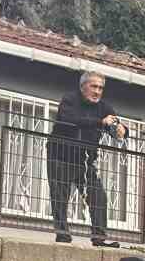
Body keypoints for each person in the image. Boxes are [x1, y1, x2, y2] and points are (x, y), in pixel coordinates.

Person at [49, 71, 125, 247]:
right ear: (83, 87)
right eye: (94, 86)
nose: (98, 91)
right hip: (61, 155)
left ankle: (99, 238)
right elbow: (72, 120)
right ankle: (63, 236)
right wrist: (101, 123)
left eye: (101, 88)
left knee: (98, 196)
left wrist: (122, 130)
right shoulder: (69, 100)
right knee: (60, 196)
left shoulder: (104, 107)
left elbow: (114, 125)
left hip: (85, 160)